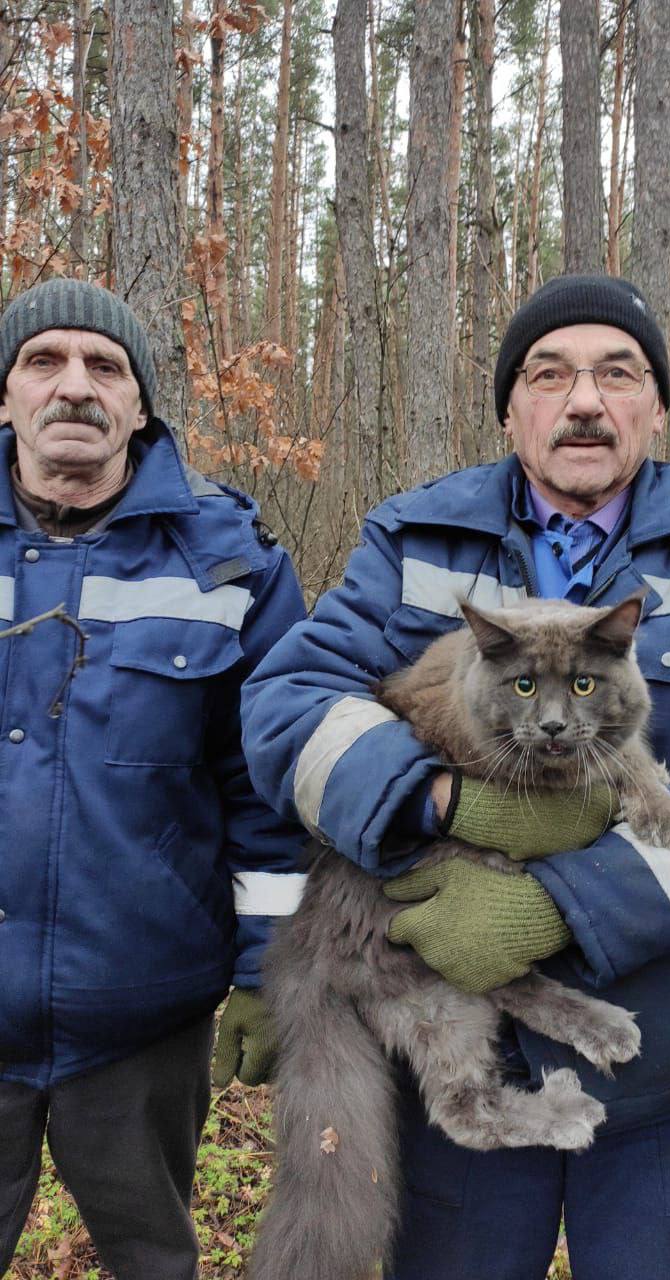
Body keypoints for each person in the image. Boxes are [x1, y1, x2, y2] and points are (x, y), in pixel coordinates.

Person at [242, 273, 670, 1280]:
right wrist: (434, 799)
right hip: (453, 1025)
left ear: (656, 407)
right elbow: (288, 704)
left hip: (664, 1046)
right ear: (511, 408)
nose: (585, 401)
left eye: (619, 373)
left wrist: (563, 903)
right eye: (550, 374)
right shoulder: (413, 537)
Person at [0, 277, 308, 1280]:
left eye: (106, 366)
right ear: (6, 395)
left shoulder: (232, 564)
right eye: (43, 360)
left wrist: (270, 971)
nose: (74, 385)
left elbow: (271, 792)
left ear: (140, 405)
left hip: (141, 1013)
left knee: (152, 1261)